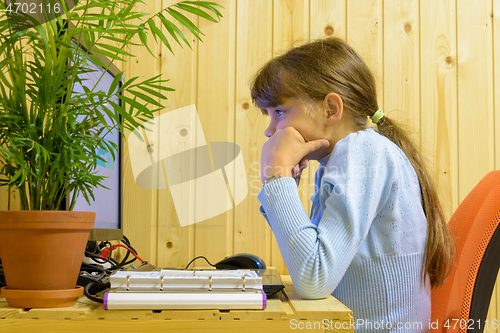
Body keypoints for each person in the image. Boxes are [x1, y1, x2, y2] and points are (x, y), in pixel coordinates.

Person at [251, 37, 455, 332]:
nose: (270, 131)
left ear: (331, 109)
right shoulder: (348, 158)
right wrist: (283, 186)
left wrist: (277, 176)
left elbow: (312, 277)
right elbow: (313, 266)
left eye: (279, 112)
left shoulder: (361, 152)